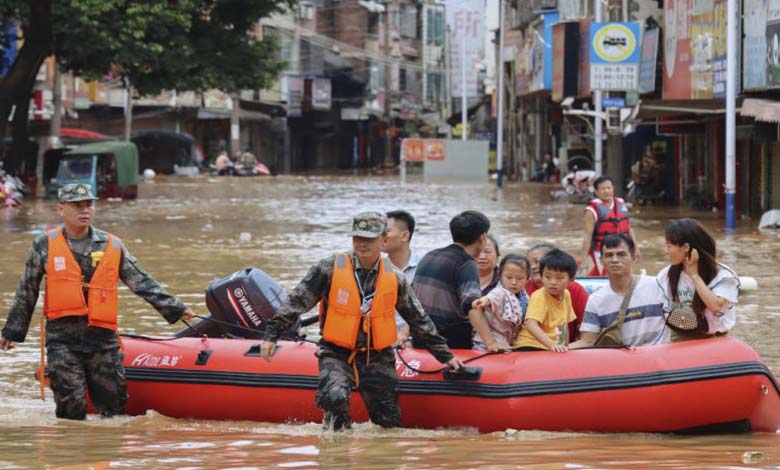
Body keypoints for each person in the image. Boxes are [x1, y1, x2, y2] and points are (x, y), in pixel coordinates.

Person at [0, 184, 195, 420]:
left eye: (88, 205)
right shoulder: (43, 245)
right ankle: (71, 453)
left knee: (113, 409)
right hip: (63, 340)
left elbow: (141, 281)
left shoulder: (111, 244)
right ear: (61, 209)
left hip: (102, 339)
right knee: (71, 406)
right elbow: (26, 289)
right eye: (77, 205)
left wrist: (177, 308)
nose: (85, 210)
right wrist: (12, 331)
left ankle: (104, 452)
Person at [259, 212, 462, 431]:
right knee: (335, 397)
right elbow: (297, 301)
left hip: (377, 354)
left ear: (383, 240)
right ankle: (337, 452)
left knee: (388, 421)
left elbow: (418, 318)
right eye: (358, 238)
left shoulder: (395, 277)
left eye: (369, 239)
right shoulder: (328, 268)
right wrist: (271, 335)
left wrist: (445, 356)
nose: (362, 244)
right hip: (336, 352)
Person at [570, 234, 669, 349]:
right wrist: (553, 350)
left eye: (621, 254)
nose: (614, 260)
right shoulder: (596, 301)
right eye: (609, 255)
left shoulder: (657, 285)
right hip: (623, 361)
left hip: (660, 356)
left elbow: (679, 324)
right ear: (601, 261)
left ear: (634, 258)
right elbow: (587, 341)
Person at [412, 210, 490, 349]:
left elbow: (411, 300)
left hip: (420, 338)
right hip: (450, 344)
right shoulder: (466, 263)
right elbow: (472, 306)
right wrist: (491, 343)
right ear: (482, 238)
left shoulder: (429, 256)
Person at [656, 218, 739, 342]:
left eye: (669, 246)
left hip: (715, 339)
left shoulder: (723, 275)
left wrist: (695, 276)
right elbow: (662, 312)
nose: (666, 251)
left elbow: (715, 306)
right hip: (680, 337)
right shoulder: (665, 275)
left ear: (685, 247)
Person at [513, 249, 578, 352]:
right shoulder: (539, 296)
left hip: (549, 347)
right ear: (542, 277)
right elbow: (531, 325)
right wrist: (552, 345)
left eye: (559, 278)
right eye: (547, 277)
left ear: (571, 280)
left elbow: (564, 325)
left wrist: (565, 346)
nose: (552, 282)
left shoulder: (566, 295)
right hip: (529, 346)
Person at [526, 243, 589, 342]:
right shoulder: (523, 288)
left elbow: (581, 327)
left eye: (537, 261)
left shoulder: (575, 290)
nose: (533, 267)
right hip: (536, 346)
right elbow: (529, 324)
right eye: (529, 263)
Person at [579, 176, 640, 276]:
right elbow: (587, 237)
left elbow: (628, 228)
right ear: (597, 191)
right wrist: (583, 260)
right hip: (602, 250)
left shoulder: (621, 203)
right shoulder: (591, 210)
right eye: (603, 189)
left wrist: (636, 248)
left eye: (609, 188)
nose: (607, 191)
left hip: (623, 247)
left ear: (613, 188)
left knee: (626, 273)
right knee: (610, 275)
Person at [471, 254, 530, 352]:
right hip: (487, 343)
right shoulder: (500, 292)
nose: (514, 282)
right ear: (500, 276)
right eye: (509, 277)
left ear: (528, 279)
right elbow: (492, 298)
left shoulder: (525, 297)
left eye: (519, 278)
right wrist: (483, 301)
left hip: (507, 342)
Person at [382, 210, 422, 344]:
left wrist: (403, 334)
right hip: (382, 338)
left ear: (404, 236)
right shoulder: (375, 269)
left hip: (414, 339)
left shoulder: (424, 268)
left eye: (386, 231)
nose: (380, 236)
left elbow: (424, 308)